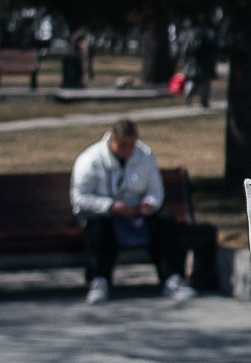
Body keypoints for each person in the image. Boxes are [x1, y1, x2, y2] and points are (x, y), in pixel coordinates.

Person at [68, 117, 194, 304]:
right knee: (98, 228)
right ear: (112, 140)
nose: (127, 150)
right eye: (122, 144)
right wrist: (110, 206)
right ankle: (99, 280)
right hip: (106, 213)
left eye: (131, 144)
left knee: (165, 222)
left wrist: (148, 204)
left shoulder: (145, 156)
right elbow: (79, 197)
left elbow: (155, 191)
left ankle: (172, 278)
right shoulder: (90, 160)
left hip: (137, 213)